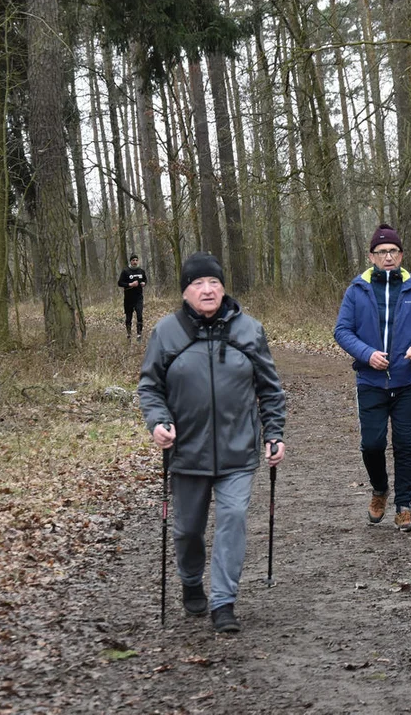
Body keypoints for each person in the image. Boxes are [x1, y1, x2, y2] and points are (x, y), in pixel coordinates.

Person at [138, 252, 286, 633]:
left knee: (233, 520)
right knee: (187, 530)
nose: (207, 290)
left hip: (238, 450)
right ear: (185, 292)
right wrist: (158, 422)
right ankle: (191, 581)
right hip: (186, 451)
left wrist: (274, 433)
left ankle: (224, 601)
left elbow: (269, 389)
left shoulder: (249, 330)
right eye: (197, 284)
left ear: (223, 287)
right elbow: (150, 387)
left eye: (214, 283)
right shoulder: (166, 333)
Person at [334, 224, 411, 532]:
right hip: (370, 381)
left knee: (404, 444)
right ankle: (380, 489)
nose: (388, 256)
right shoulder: (357, 289)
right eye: (382, 252)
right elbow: (341, 331)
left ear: (401, 255)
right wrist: (366, 353)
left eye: (393, 251)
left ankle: (404, 507)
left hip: (407, 381)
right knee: (371, 444)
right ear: (371, 256)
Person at [117, 254, 147, 340]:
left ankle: (139, 335)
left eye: (136, 260)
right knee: (128, 317)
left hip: (139, 297)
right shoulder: (126, 271)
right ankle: (129, 334)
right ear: (130, 261)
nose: (135, 262)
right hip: (128, 299)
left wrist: (144, 283)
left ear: (138, 261)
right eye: (133, 260)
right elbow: (120, 283)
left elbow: (145, 279)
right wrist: (130, 284)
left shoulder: (141, 271)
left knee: (139, 315)